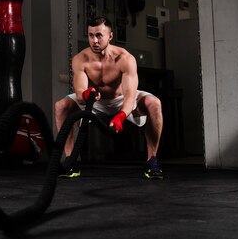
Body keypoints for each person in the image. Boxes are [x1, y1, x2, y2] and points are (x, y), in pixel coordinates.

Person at [54, 16, 164, 179]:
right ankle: (71, 161)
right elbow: (79, 92)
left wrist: (121, 115)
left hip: (120, 99)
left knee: (154, 103)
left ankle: (151, 161)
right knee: (61, 106)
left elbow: (129, 96)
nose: (94, 41)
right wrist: (85, 94)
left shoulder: (125, 59)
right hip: (95, 101)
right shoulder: (80, 59)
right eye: (91, 35)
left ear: (110, 36)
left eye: (99, 35)